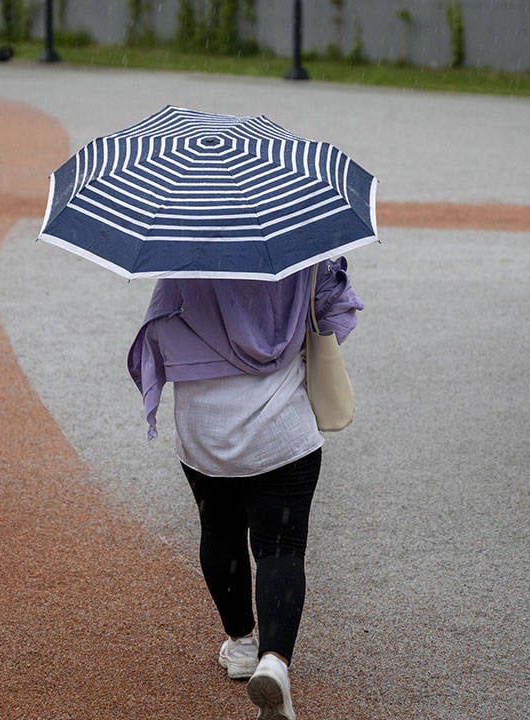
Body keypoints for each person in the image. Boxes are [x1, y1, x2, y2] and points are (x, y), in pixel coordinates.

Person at [128, 257, 363, 720]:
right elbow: (333, 313)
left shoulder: (183, 243)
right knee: (281, 548)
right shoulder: (298, 238)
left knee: (219, 530)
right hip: (281, 426)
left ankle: (240, 644)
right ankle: (275, 661)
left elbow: (158, 329)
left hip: (203, 426)